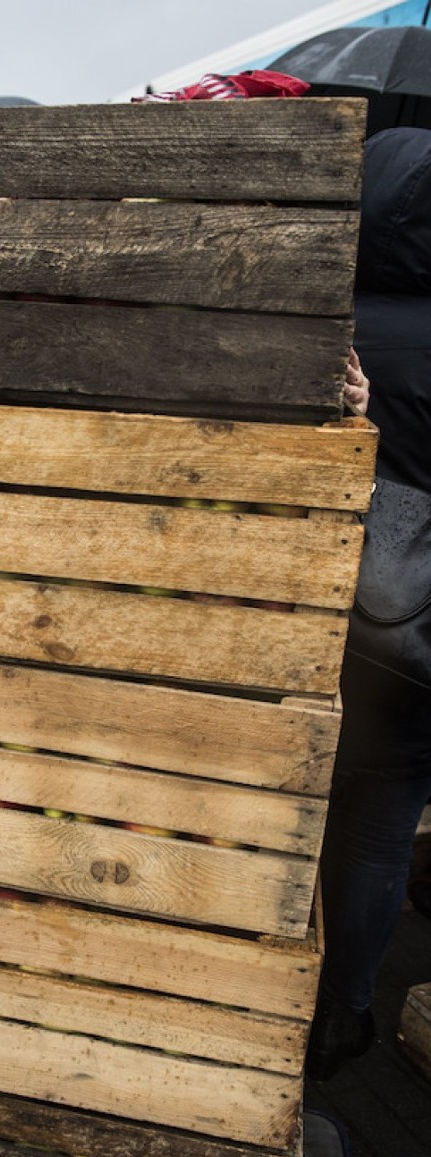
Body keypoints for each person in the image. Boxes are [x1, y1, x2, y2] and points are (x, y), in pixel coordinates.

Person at [306, 127, 431, 1081]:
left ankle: (279, 990)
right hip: (416, 652)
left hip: (315, 626)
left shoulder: (318, 322)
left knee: (301, 812)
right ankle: (345, 1007)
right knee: (381, 833)